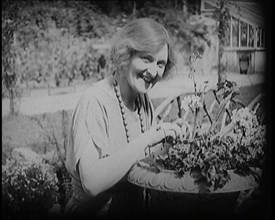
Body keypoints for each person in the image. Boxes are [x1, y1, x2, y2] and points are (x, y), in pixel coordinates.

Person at [64, 17, 184, 218]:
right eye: (146, 59)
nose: (154, 71)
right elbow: (92, 183)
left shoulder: (142, 101)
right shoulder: (95, 101)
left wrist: (170, 142)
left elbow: (144, 164)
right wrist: (149, 137)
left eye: (161, 63)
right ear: (126, 54)